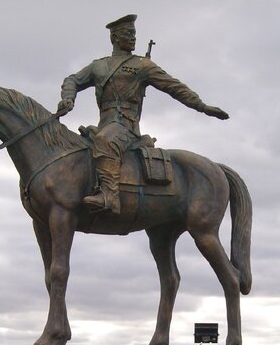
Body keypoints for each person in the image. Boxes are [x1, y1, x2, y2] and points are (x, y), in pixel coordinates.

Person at [58, 14, 229, 214]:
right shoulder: (98, 66)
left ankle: (109, 196)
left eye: (134, 34)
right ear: (114, 38)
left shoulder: (142, 65)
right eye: (127, 33)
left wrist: (202, 106)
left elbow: (174, 87)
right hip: (105, 123)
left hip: (126, 126)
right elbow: (73, 80)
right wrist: (69, 98)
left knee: (105, 140)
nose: (133, 38)